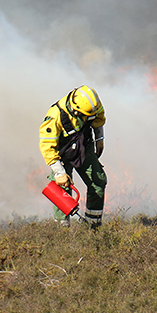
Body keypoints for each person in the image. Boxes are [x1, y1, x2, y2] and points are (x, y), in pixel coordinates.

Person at [39, 85, 107, 227]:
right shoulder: (55, 116)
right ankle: (62, 230)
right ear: (75, 110)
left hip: (83, 146)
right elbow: (47, 147)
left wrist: (99, 140)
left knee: (98, 181)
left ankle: (93, 227)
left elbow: (98, 120)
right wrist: (59, 173)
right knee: (62, 188)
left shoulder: (92, 105)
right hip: (62, 153)